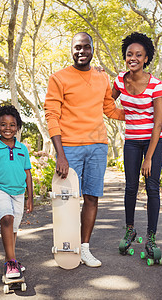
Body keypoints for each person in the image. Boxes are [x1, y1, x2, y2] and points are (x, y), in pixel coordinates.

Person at [44, 32, 125, 267]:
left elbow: (109, 109)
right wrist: (60, 153)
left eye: (86, 47)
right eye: (77, 47)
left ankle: (84, 248)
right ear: (71, 50)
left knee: (91, 197)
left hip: (98, 146)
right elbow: (52, 116)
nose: (81, 51)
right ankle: (66, 243)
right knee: (68, 200)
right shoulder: (58, 78)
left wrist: (137, 113)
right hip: (69, 147)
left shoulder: (102, 78)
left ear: (92, 49)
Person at [112, 32, 162, 260]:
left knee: (152, 188)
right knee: (130, 187)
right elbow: (106, 101)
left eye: (138, 55)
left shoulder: (155, 84)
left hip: (154, 142)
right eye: (129, 54)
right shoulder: (119, 81)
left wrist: (149, 157)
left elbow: (158, 122)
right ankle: (130, 229)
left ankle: (151, 238)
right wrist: (125, 116)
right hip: (132, 142)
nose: (132, 58)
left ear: (145, 58)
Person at [0, 105, 34, 279]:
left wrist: (30, 198)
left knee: (13, 228)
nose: (8, 128)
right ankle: (12, 263)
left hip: (18, 192)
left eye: (12, 125)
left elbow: (28, 173)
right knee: (7, 219)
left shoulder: (22, 149)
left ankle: (10, 261)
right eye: (3, 124)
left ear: (17, 127)